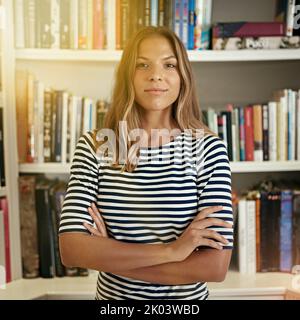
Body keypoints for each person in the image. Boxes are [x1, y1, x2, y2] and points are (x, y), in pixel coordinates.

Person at [58, 26, 234, 300]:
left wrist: (108, 254)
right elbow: (71, 250)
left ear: (182, 76)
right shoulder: (96, 146)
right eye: (142, 64)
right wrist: (172, 251)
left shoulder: (208, 149)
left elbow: (214, 267)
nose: (156, 75)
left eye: (169, 64)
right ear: (127, 74)